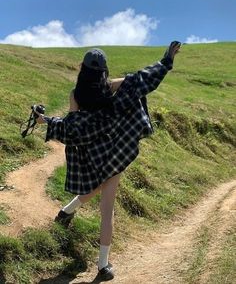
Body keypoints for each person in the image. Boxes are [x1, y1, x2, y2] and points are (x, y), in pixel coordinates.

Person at [36, 42, 181, 281]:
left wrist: (47, 121)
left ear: (81, 67)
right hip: (114, 153)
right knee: (107, 210)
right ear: (104, 70)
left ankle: (66, 213)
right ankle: (103, 266)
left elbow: (71, 128)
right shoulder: (110, 86)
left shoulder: (76, 95)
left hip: (91, 156)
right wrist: (166, 60)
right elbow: (142, 79)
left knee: (95, 188)